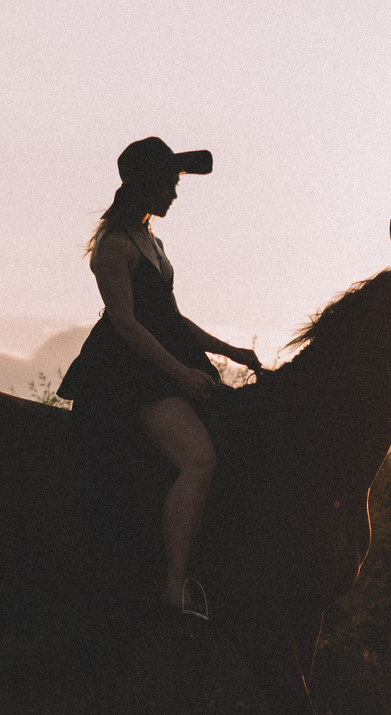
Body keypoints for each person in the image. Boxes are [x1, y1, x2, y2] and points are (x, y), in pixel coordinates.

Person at [55, 136, 262, 620]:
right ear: (146, 184)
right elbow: (127, 324)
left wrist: (229, 349)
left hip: (161, 364)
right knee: (198, 459)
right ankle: (173, 587)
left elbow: (171, 319)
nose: (174, 194)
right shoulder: (113, 247)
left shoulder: (154, 242)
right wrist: (182, 374)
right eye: (170, 183)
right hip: (127, 374)